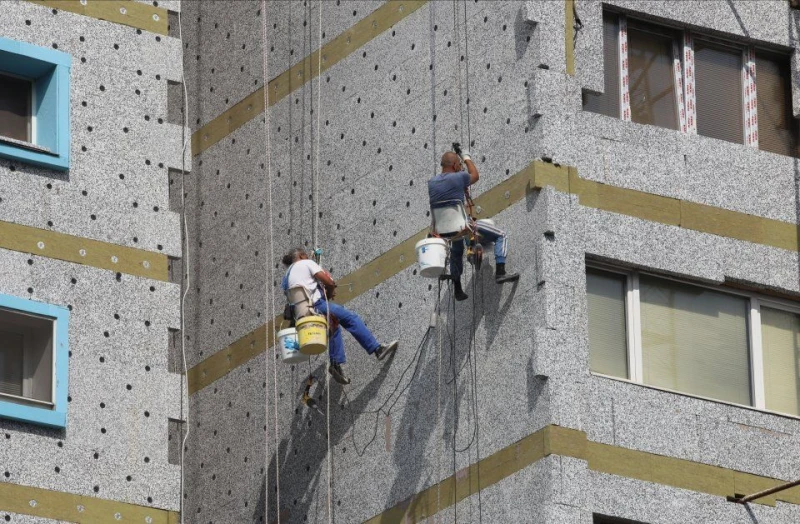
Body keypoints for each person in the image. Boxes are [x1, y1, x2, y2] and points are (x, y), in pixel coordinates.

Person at [281, 248, 398, 385]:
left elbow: (301, 293)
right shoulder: (306, 263)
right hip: (317, 305)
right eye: (306, 256)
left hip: (302, 316)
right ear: (302, 256)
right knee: (350, 318)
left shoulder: (285, 279)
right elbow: (329, 282)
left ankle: (335, 363)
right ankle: (377, 349)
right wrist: (330, 292)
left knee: (333, 326)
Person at [428, 147, 519, 301]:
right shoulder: (460, 177)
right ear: (455, 165)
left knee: (456, 251)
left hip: (444, 232)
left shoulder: (431, 183)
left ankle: (457, 287)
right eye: (458, 164)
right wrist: (466, 157)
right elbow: (475, 175)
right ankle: (500, 272)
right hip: (464, 228)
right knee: (501, 235)